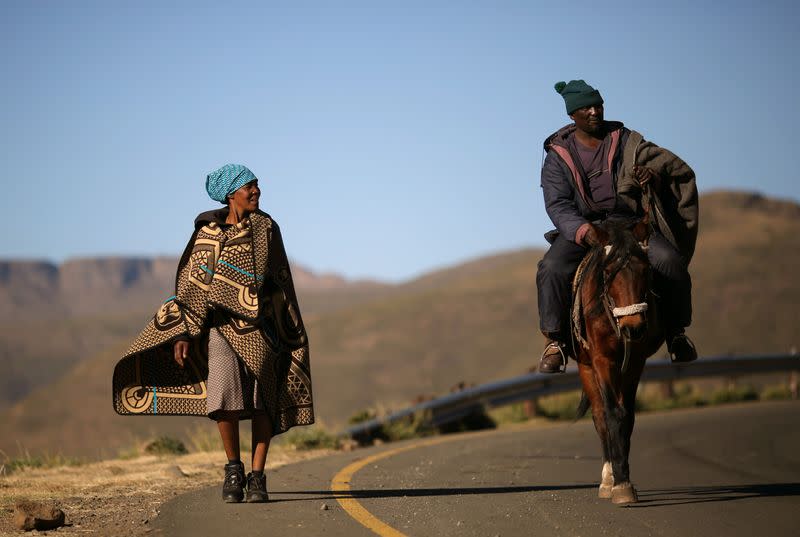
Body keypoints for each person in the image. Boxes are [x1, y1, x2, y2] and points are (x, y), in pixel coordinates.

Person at [113, 163, 314, 503]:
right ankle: (233, 470)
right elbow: (192, 286)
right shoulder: (207, 232)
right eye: (248, 186)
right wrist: (182, 332)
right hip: (219, 329)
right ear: (231, 193)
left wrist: (287, 325)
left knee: (264, 400)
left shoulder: (267, 228)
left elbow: (278, 279)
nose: (256, 192)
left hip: (264, 329)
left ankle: (258, 477)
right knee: (224, 401)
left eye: (257, 185)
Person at [536, 80, 699, 373]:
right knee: (551, 268)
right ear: (573, 115)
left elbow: (666, 175)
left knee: (670, 261)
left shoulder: (626, 141)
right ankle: (556, 341)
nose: (595, 111)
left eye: (598, 104)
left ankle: (676, 334)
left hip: (629, 223)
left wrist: (653, 178)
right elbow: (558, 205)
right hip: (584, 229)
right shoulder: (557, 156)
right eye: (586, 107)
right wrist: (584, 232)